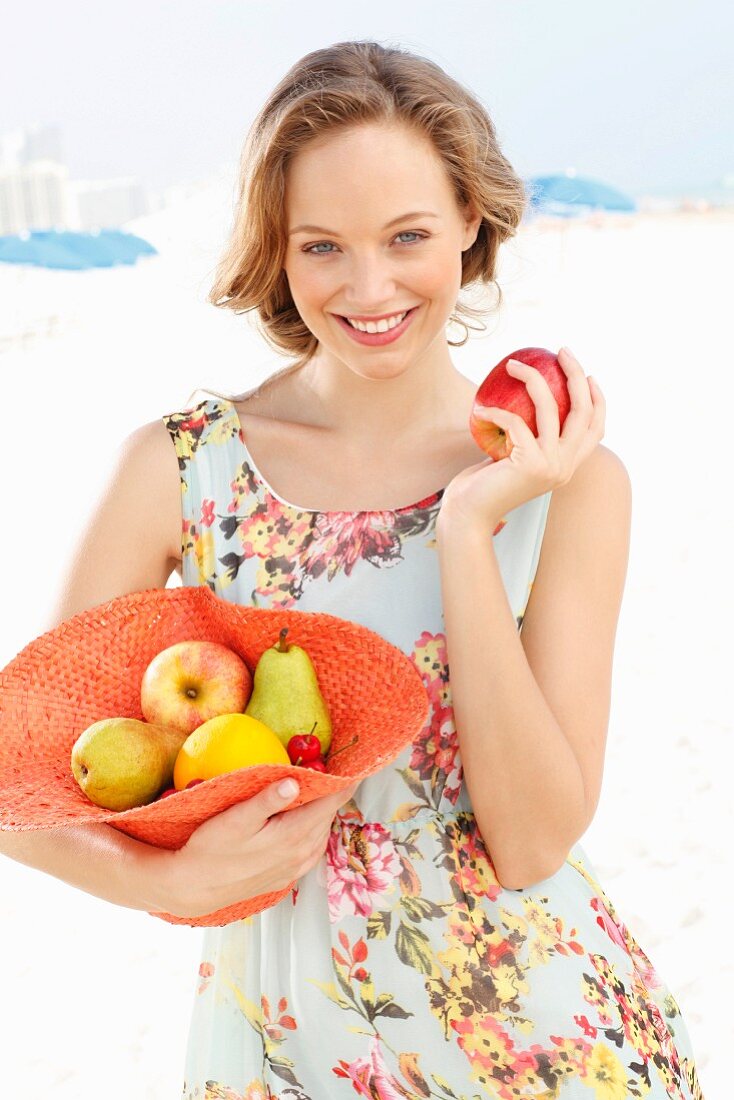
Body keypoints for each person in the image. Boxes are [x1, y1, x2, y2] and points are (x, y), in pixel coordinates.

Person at [0, 39, 704, 1100]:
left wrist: (466, 533)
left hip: (546, 1043)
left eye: (407, 235)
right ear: (276, 250)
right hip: (278, 1047)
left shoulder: (569, 481)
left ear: (470, 220)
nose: (368, 286)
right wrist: (162, 877)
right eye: (321, 245)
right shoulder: (182, 468)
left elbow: (529, 841)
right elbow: (22, 781)